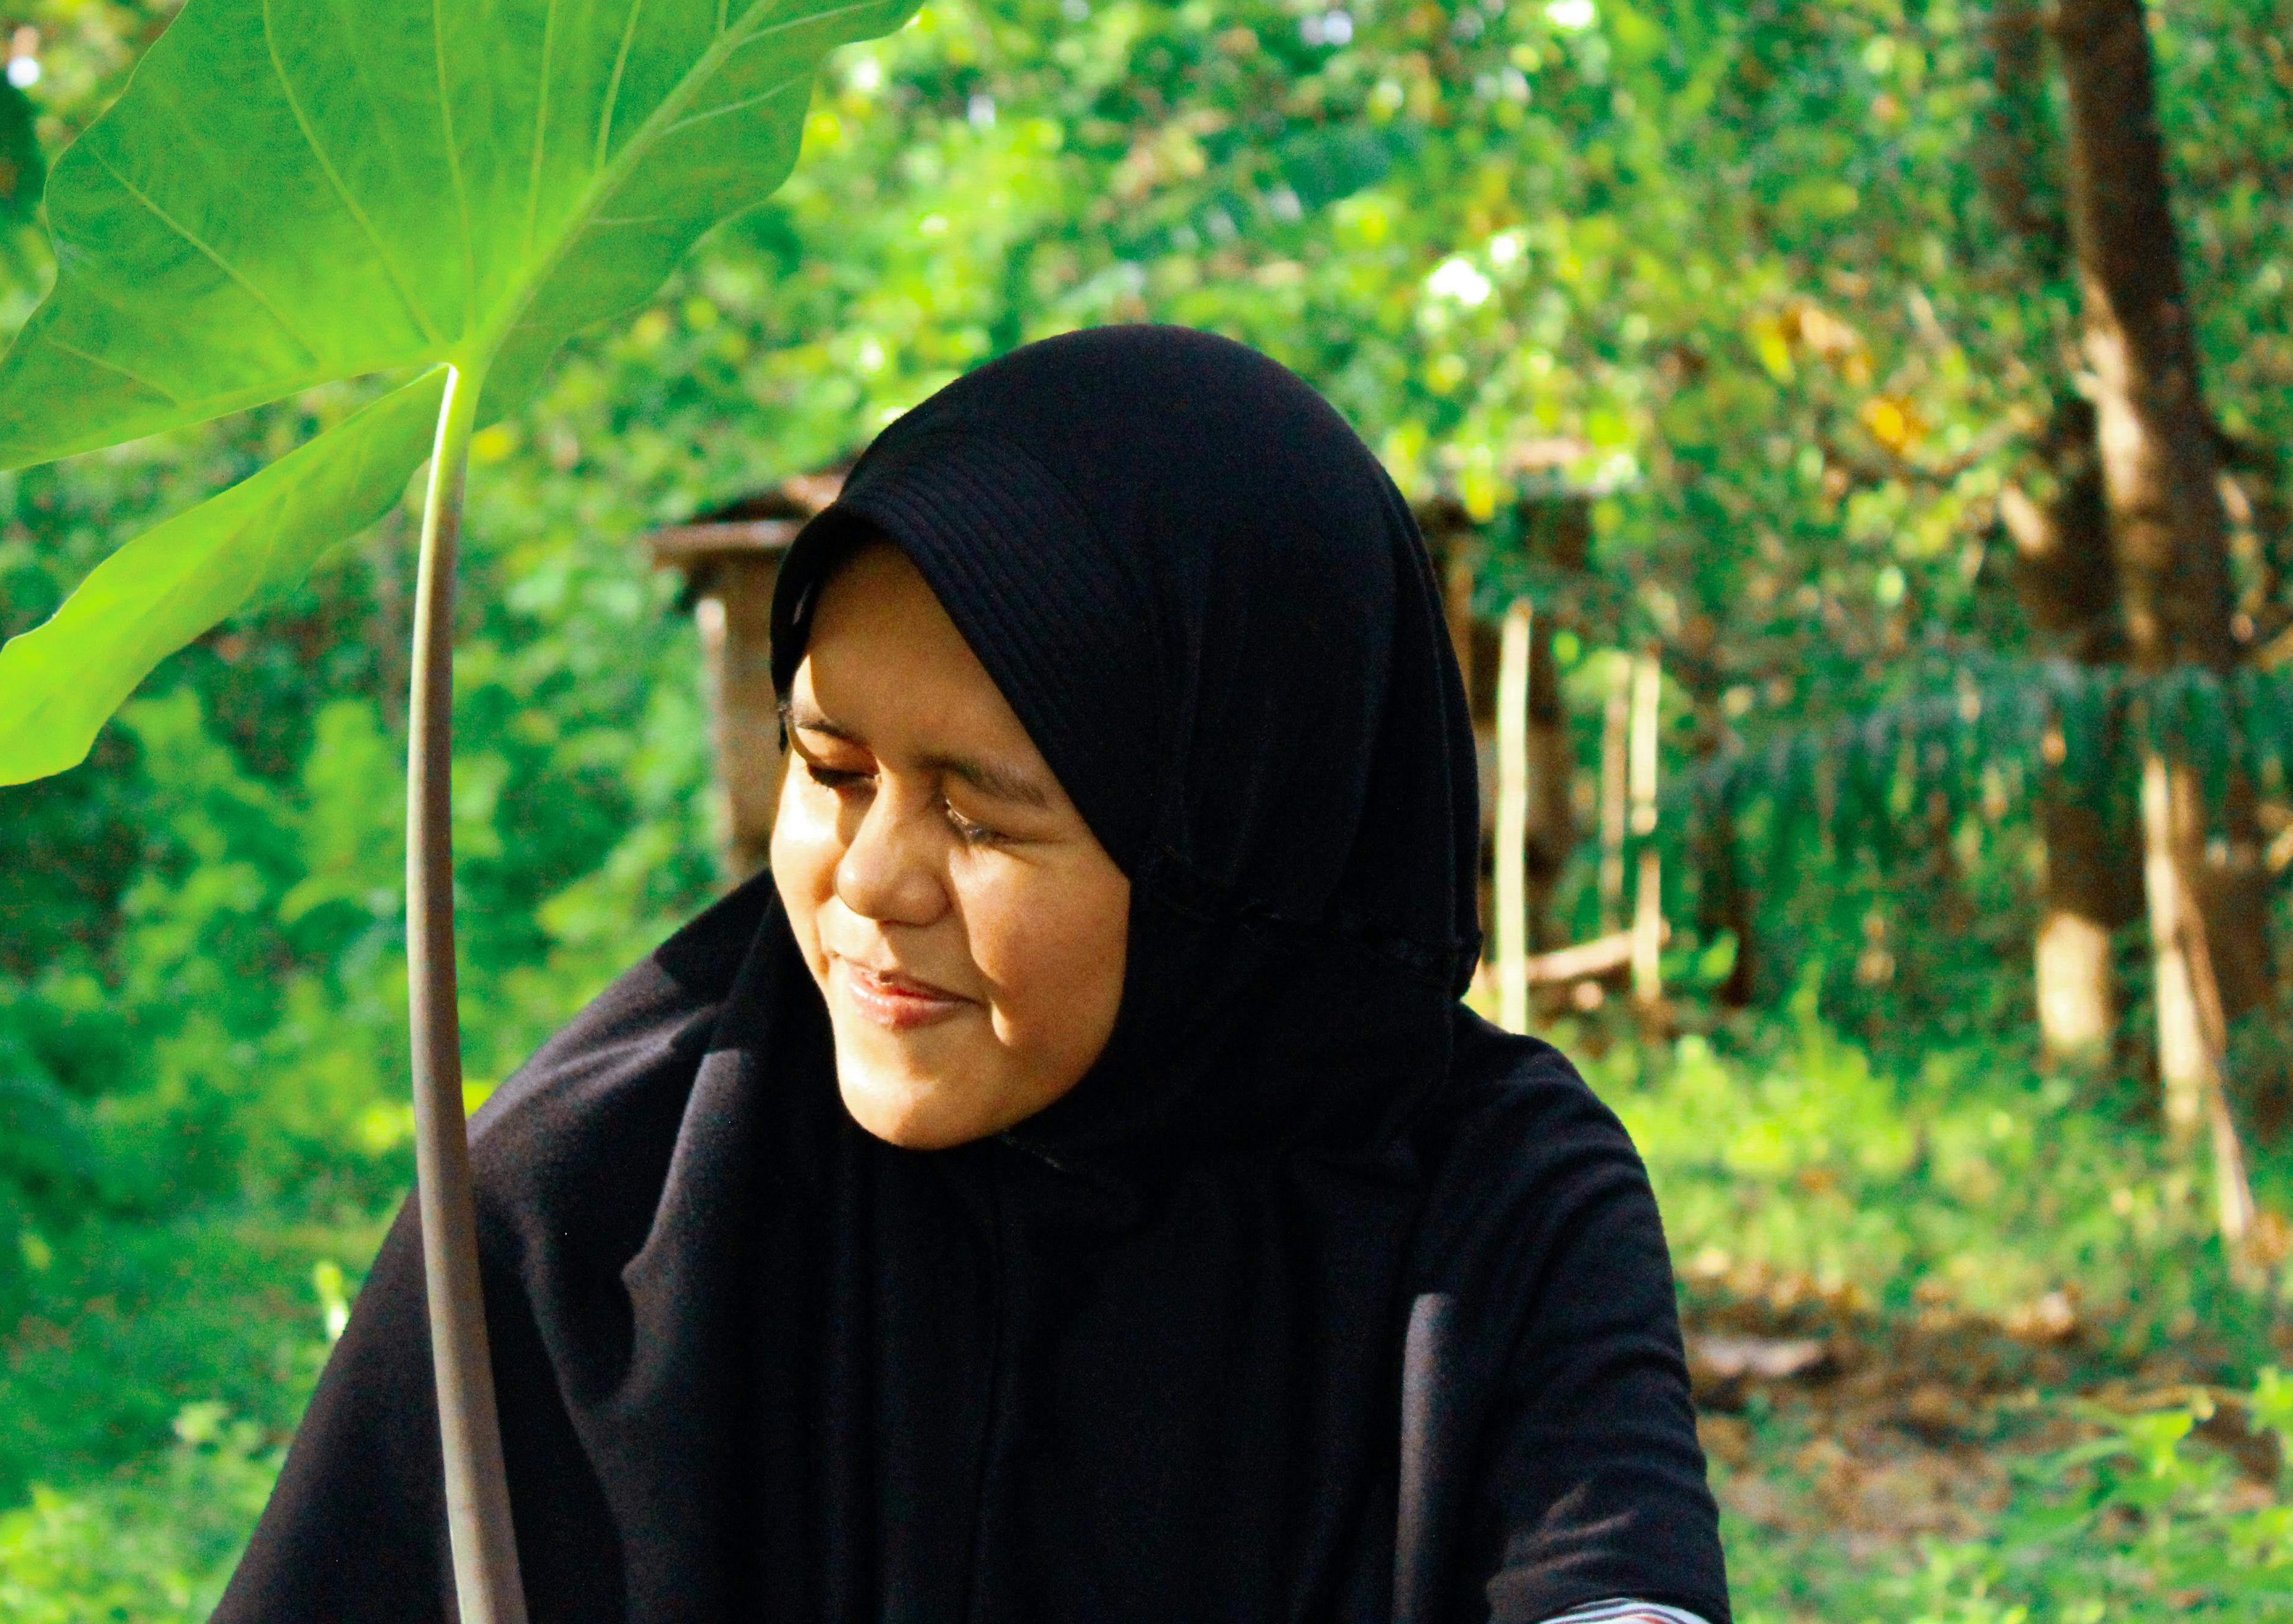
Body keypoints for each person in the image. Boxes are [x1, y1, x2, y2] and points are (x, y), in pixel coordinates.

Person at [211, 325, 1727, 1624]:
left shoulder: (1491, 1198)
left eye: (982, 811)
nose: (868, 882)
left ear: (1229, 855)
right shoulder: (584, 1218)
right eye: (831, 766)